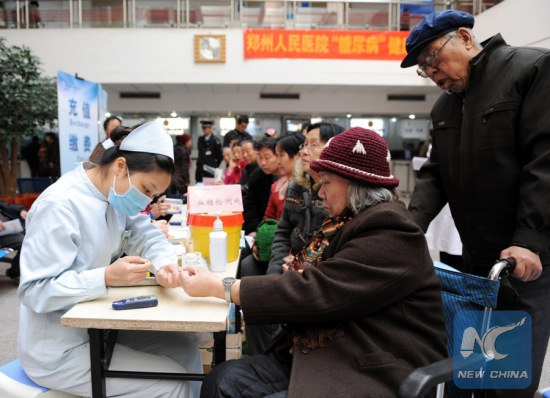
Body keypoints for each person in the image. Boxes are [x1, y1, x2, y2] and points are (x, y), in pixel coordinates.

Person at [179, 127, 448, 397]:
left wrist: (220, 287)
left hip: (373, 364)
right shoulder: (345, 222)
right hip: (332, 346)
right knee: (223, 379)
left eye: (328, 182)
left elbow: (316, 291)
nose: (320, 193)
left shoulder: (392, 231)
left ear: (355, 184)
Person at [401, 10, 550, 397]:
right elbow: (435, 176)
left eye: (432, 58)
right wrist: (403, 230)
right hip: (477, 264)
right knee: (466, 374)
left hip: (525, 263)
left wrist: (530, 239)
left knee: (508, 378)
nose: (432, 73)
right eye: (423, 68)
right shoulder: (445, 108)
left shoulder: (530, 69)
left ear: (465, 37)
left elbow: (544, 161)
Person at [17, 122, 208, 398]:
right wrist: (106, 277)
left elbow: (147, 236)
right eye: (146, 189)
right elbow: (35, 291)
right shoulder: (60, 206)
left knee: (186, 351)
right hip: (59, 348)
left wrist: (164, 264)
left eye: (152, 195)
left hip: (101, 327)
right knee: (170, 383)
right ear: (120, 166)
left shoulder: (114, 195)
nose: (146, 201)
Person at [242, 137, 280, 235]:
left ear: (279, 156)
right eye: (260, 158)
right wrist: (255, 230)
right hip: (260, 228)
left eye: (267, 158)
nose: (263, 163)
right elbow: (250, 206)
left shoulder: (289, 178)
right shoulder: (257, 175)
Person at [0, 200, 27, 284]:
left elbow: (6, 206)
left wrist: (20, 210)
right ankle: (16, 272)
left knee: (34, 234)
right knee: (24, 241)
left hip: (6, 229)